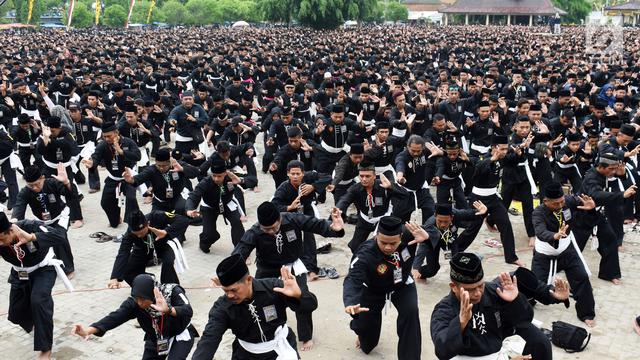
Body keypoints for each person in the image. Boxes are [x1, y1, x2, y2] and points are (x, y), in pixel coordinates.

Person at [232, 201, 345, 352]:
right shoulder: (255, 231)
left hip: (293, 267)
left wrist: (333, 228)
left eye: (274, 227)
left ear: (279, 219)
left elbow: (314, 224)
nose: (271, 232)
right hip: (267, 269)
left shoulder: (292, 219)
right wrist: (230, 274)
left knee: (302, 298)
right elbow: (240, 252)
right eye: (266, 229)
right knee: (262, 301)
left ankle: (305, 336)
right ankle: (268, 332)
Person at [192, 254, 318, 359]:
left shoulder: (273, 288)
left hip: (281, 347)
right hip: (246, 354)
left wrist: (299, 295)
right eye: (226, 291)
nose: (229, 295)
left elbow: (311, 306)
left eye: (234, 290)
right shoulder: (222, 308)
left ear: (248, 280)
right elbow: (209, 339)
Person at [431, 252, 551, 360]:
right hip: (469, 357)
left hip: (499, 346)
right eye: (470, 289)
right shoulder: (444, 310)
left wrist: (515, 301)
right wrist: (460, 323)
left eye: (480, 285)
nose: (478, 293)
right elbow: (442, 351)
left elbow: (524, 321)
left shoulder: (493, 291)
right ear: (453, 287)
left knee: (540, 342)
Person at [343, 216, 427, 360]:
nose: (388, 247)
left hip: (402, 285)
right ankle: (360, 331)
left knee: (411, 312)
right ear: (376, 237)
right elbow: (353, 278)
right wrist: (351, 302)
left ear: (401, 237)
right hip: (373, 289)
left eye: (393, 243)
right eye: (383, 242)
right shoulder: (365, 253)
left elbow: (435, 227)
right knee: (367, 345)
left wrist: (428, 237)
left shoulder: (410, 234)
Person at [73, 274, 198, 360]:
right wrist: (88, 330)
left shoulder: (172, 291)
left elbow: (187, 310)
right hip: (156, 337)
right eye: (137, 299)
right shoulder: (134, 303)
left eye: (143, 299)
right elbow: (115, 317)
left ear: (151, 294)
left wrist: (168, 310)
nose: (140, 303)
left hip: (180, 334)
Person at [0, 212, 70, 360]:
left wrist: (32, 237)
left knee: (39, 300)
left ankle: (45, 348)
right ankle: (38, 322)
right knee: (16, 313)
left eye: (1, 239)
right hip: (20, 273)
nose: (0, 244)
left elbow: (60, 236)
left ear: (11, 230)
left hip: (43, 268)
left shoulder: (30, 226)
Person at [531, 181, 598, 326]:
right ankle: (525, 303)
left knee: (582, 278)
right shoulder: (538, 212)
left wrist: (592, 208)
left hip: (567, 250)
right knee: (533, 285)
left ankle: (586, 313)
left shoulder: (567, 201)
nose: (560, 205)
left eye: (562, 201)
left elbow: (587, 199)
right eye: (556, 204)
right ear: (546, 201)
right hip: (545, 255)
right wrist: (554, 236)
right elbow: (540, 231)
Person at [271, 160, 332, 280]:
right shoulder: (283, 188)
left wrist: (313, 186)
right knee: (292, 238)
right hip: (290, 215)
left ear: (303, 173)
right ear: (288, 173)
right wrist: (289, 207)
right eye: (292, 174)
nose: (295, 176)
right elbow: (274, 206)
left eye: (298, 174)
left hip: (307, 210)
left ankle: (311, 268)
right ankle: (290, 265)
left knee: (309, 236)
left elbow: (328, 177)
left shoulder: (309, 178)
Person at [469, 134, 524, 266]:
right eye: (502, 149)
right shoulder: (484, 158)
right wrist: (492, 160)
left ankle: (511, 257)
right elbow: (478, 171)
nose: (505, 152)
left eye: (506, 149)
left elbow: (513, 159)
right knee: (472, 229)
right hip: (479, 199)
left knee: (505, 225)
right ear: (494, 147)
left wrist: (518, 152)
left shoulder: (503, 157)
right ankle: (456, 250)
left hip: (493, 198)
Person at [12, 165, 78, 275]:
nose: (34, 188)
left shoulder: (52, 183)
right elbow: (19, 206)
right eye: (30, 185)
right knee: (36, 241)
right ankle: (42, 265)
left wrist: (66, 183)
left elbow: (71, 195)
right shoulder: (25, 192)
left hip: (60, 217)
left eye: (36, 184)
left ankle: (68, 269)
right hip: (43, 222)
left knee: (60, 239)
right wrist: (14, 221)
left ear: (42, 178)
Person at [336, 160, 408, 253]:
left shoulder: (383, 185)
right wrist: (338, 209)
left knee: (383, 247)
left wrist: (391, 186)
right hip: (365, 219)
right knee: (355, 246)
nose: (364, 179)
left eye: (367, 176)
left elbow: (405, 195)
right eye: (361, 176)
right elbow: (344, 200)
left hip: (383, 220)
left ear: (374, 176)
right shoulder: (355, 189)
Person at [108, 210, 189, 288]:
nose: (139, 236)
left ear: (148, 224)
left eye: (141, 233)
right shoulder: (129, 233)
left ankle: (170, 288)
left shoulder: (156, 216)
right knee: (127, 271)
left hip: (163, 245)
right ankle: (146, 287)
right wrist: (114, 277)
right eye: (137, 234)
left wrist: (166, 231)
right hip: (142, 249)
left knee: (168, 263)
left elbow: (183, 220)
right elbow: (123, 253)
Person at [83, 121, 141, 227]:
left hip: (128, 177)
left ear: (116, 133)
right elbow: (96, 156)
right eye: (104, 136)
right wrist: (92, 164)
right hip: (113, 178)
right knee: (105, 202)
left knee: (131, 200)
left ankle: (135, 224)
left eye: (109, 136)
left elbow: (138, 156)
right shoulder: (103, 145)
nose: (107, 139)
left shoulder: (128, 142)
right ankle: (115, 219)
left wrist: (121, 151)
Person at [412, 202, 486, 281]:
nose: (443, 224)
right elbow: (423, 246)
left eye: (446, 221)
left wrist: (483, 212)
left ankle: (460, 282)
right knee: (432, 269)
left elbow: (471, 213)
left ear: (452, 217)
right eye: (440, 221)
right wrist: (416, 267)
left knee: (456, 262)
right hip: (433, 242)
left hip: (450, 240)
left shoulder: (457, 214)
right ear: (435, 216)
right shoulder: (429, 225)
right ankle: (420, 275)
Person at [186, 159, 245, 253]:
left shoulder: (231, 177)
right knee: (209, 235)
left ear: (225, 173)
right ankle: (204, 242)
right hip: (209, 207)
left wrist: (241, 180)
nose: (216, 179)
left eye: (219, 176)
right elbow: (194, 196)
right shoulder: (205, 182)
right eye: (214, 176)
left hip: (227, 203)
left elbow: (252, 180)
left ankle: (240, 251)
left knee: (237, 222)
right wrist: (189, 209)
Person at [123, 148, 199, 214]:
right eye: (159, 165)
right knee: (155, 220)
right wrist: (131, 180)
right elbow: (139, 178)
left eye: (164, 166)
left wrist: (182, 169)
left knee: (181, 211)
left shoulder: (177, 165)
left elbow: (196, 172)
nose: (161, 168)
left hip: (177, 197)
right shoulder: (152, 170)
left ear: (169, 161)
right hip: (160, 201)